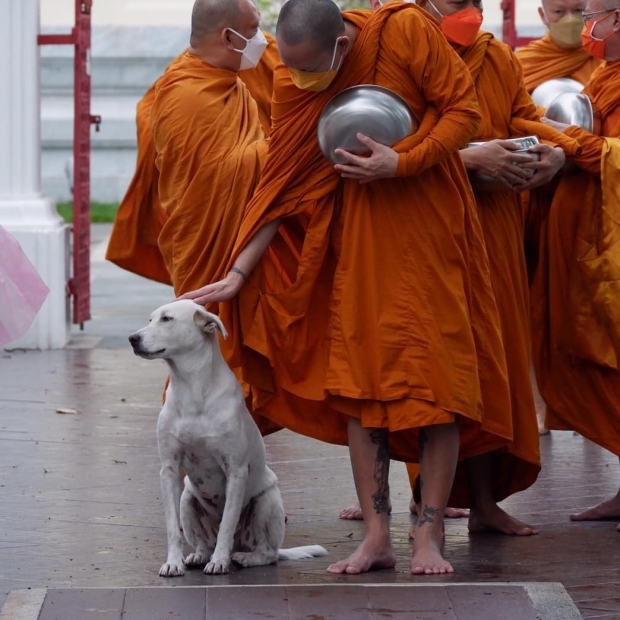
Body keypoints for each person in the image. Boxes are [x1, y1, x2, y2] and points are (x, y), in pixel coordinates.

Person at [180, 0, 516, 574]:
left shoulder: (403, 30)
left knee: (438, 388)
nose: (300, 78)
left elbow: (463, 112)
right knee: (362, 392)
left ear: (340, 45)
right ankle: (377, 536)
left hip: (431, 228)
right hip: (357, 244)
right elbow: (280, 181)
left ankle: (427, 537)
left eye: (310, 67)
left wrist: (403, 161)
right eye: (291, 67)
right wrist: (238, 272)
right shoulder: (293, 74)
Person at [416, 0, 583, 536]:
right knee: (438, 370)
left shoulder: (497, 57)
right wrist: (466, 159)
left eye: (476, 1)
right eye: (457, 2)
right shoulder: (402, 53)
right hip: (431, 227)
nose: (471, 11)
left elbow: (523, 118)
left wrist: (558, 152)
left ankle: (484, 502)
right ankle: (428, 508)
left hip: (495, 228)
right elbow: (389, 146)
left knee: (496, 365)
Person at [105, 14, 280, 284]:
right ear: (228, 37)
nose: (258, 36)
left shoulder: (265, 55)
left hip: (264, 217)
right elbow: (151, 117)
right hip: (209, 215)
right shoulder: (188, 79)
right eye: (253, 28)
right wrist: (289, 152)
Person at [533, 0, 620, 531]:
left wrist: (579, 147)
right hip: (590, 239)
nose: (586, 26)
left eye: (595, 14)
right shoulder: (606, 77)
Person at [515, 0, 602, 97]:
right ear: (543, 15)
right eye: (559, 11)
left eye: (578, 10)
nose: (570, 20)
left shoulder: (608, 56)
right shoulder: (520, 63)